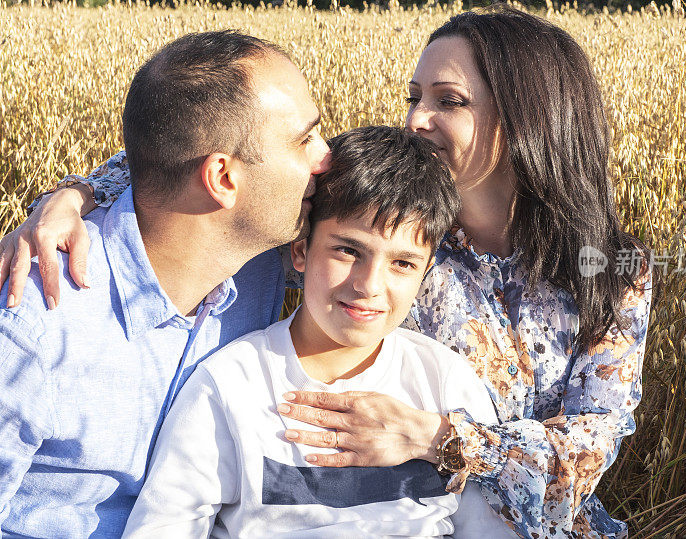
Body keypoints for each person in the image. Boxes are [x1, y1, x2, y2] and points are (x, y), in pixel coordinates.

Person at [1, 6, 653, 538]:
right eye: (414, 95)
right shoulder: (391, 224)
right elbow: (209, 151)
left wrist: (434, 437)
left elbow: (588, 453)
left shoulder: (612, 272)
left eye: (447, 100)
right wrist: (79, 193)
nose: (415, 119)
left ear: (526, 121)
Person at [0, 30, 330, 537]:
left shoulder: (276, 264)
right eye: (304, 138)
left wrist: (76, 189)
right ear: (222, 179)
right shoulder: (35, 320)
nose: (325, 157)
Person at [121, 125, 517, 537]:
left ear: (425, 272)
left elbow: (488, 527)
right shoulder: (229, 386)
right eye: (348, 250)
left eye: (403, 263)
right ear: (301, 250)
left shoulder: (445, 381)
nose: (369, 286)